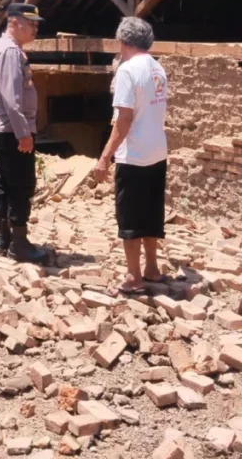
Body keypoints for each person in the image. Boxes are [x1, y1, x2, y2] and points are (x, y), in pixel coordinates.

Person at [93, 17, 169, 295]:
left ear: (122, 42)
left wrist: (104, 157)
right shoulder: (158, 68)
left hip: (133, 155)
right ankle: (152, 267)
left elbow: (123, 119)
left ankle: (133, 276)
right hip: (157, 151)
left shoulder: (127, 71)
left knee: (130, 218)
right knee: (151, 212)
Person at [0, 3, 48, 265]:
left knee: (5, 184)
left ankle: (4, 239)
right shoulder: (10, 52)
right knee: (21, 185)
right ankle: (19, 245)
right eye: (30, 23)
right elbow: (13, 101)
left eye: (36, 24)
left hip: (5, 129)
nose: (35, 28)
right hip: (13, 130)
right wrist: (24, 134)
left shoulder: (4, 48)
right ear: (14, 22)